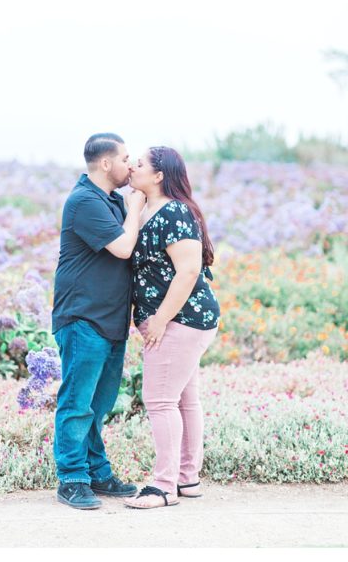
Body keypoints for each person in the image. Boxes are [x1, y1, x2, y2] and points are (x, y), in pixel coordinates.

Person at [51, 133, 146, 510]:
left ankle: (96, 471)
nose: (130, 164)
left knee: (100, 403)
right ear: (106, 164)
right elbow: (123, 247)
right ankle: (72, 479)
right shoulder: (84, 201)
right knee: (77, 403)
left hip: (110, 320)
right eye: (125, 158)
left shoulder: (109, 200)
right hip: (83, 318)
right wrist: (135, 209)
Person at [123, 146, 220, 509]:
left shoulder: (175, 211)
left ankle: (163, 487)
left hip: (180, 319)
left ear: (159, 175)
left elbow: (189, 270)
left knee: (160, 400)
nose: (132, 166)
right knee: (184, 399)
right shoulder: (150, 209)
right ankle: (187, 479)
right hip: (181, 319)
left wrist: (160, 320)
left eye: (140, 164)